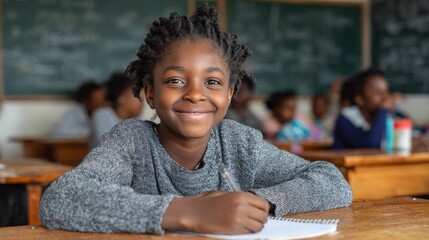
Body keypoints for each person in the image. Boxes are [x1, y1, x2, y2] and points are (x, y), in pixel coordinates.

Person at [40, 4, 352, 235]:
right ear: (150, 92)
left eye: (212, 82)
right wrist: (186, 211)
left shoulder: (240, 143)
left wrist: (255, 202)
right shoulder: (131, 143)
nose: (194, 94)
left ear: (229, 94)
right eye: (175, 80)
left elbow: (333, 182)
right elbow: (61, 199)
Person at [332, 69, 400, 149]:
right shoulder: (345, 119)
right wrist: (383, 110)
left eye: (386, 92)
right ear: (360, 99)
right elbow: (371, 143)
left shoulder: (387, 116)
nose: (385, 97)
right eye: (378, 93)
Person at [91, 72, 143, 148]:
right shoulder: (102, 116)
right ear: (121, 98)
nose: (142, 100)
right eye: (136, 95)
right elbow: (109, 147)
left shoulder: (140, 121)